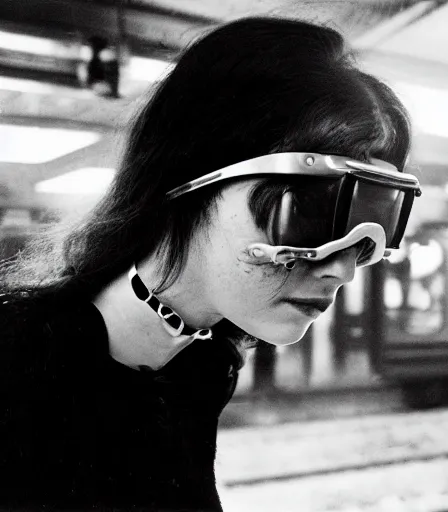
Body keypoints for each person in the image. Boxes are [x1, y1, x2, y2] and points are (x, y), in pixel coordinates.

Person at [0, 16, 420, 512]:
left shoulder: (201, 369)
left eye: (372, 229)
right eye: (309, 211)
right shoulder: (16, 368)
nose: (343, 269)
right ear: (192, 180)